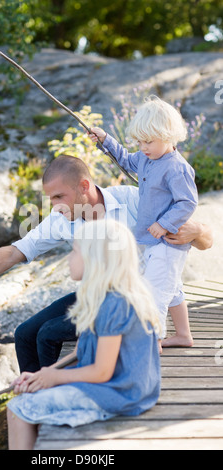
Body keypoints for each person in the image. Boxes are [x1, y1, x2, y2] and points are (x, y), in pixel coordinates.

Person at [0, 155, 212, 370]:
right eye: (50, 199)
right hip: (95, 293)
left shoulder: (134, 200)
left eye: (59, 196)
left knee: (49, 334)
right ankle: (33, 397)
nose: (55, 205)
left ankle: (53, 391)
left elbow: (203, 239)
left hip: (130, 302)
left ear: (84, 187)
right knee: (23, 334)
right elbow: (15, 252)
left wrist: (198, 232)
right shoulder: (60, 219)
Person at [7, 219, 161, 450]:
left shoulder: (116, 303)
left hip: (120, 393)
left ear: (95, 260)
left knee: (17, 410)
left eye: (75, 252)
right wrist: (45, 374)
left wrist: (55, 379)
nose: (69, 259)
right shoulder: (100, 298)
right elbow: (81, 352)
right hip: (116, 386)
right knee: (30, 396)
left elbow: (101, 371)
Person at [89, 95, 198, 350]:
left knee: (154, 291)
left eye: (148, 141)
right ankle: (183, 335)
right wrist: (105, 140)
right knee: (172, 288)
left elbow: (188, 203)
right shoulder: (147, 158)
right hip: (152, 240)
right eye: (140, 141)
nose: (143, 147)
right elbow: (126, 160)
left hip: (169, 241)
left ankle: (153, 341)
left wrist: (165, 224)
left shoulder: (176, 168)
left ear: (168, 136)